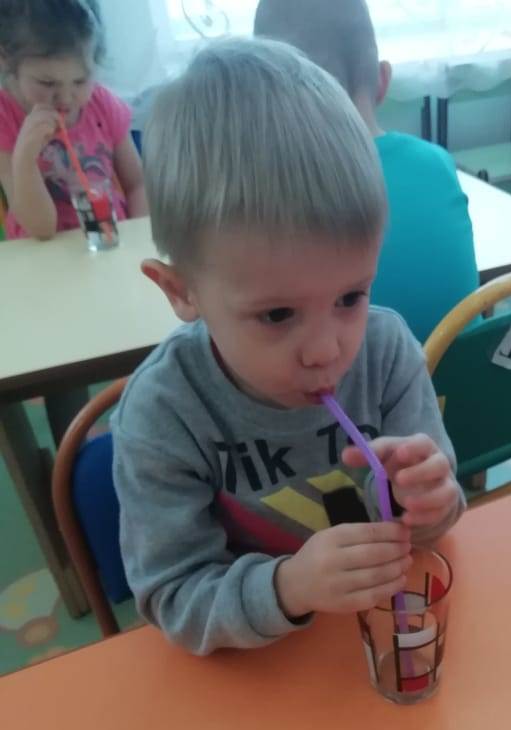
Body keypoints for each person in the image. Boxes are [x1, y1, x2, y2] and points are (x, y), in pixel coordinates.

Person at [111, 37, 465, 654]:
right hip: (259, 664)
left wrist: (431, 500)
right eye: (277, 314)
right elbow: (173, 597)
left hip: (371, 640)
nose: (326, 351)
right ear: (181, 291)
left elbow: (437, 522)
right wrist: (289, 587)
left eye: (351, 296)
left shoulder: (385, 352)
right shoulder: (164, 413)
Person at [254, 0, 479, 342]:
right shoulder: (438, 163)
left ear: (267, 97)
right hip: (466, 376)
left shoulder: (267, 193)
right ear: (383, 80)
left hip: (355, 379)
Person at [0, 0, 147, 241]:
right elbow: (41, 229)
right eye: (47, 83)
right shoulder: (4, 118)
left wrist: (139, 234)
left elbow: (137, 184)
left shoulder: (102, 104)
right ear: (5, 59)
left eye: (80, 81)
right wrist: (25, 159)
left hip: (109, 243)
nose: (66, 98)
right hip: (44, 254)